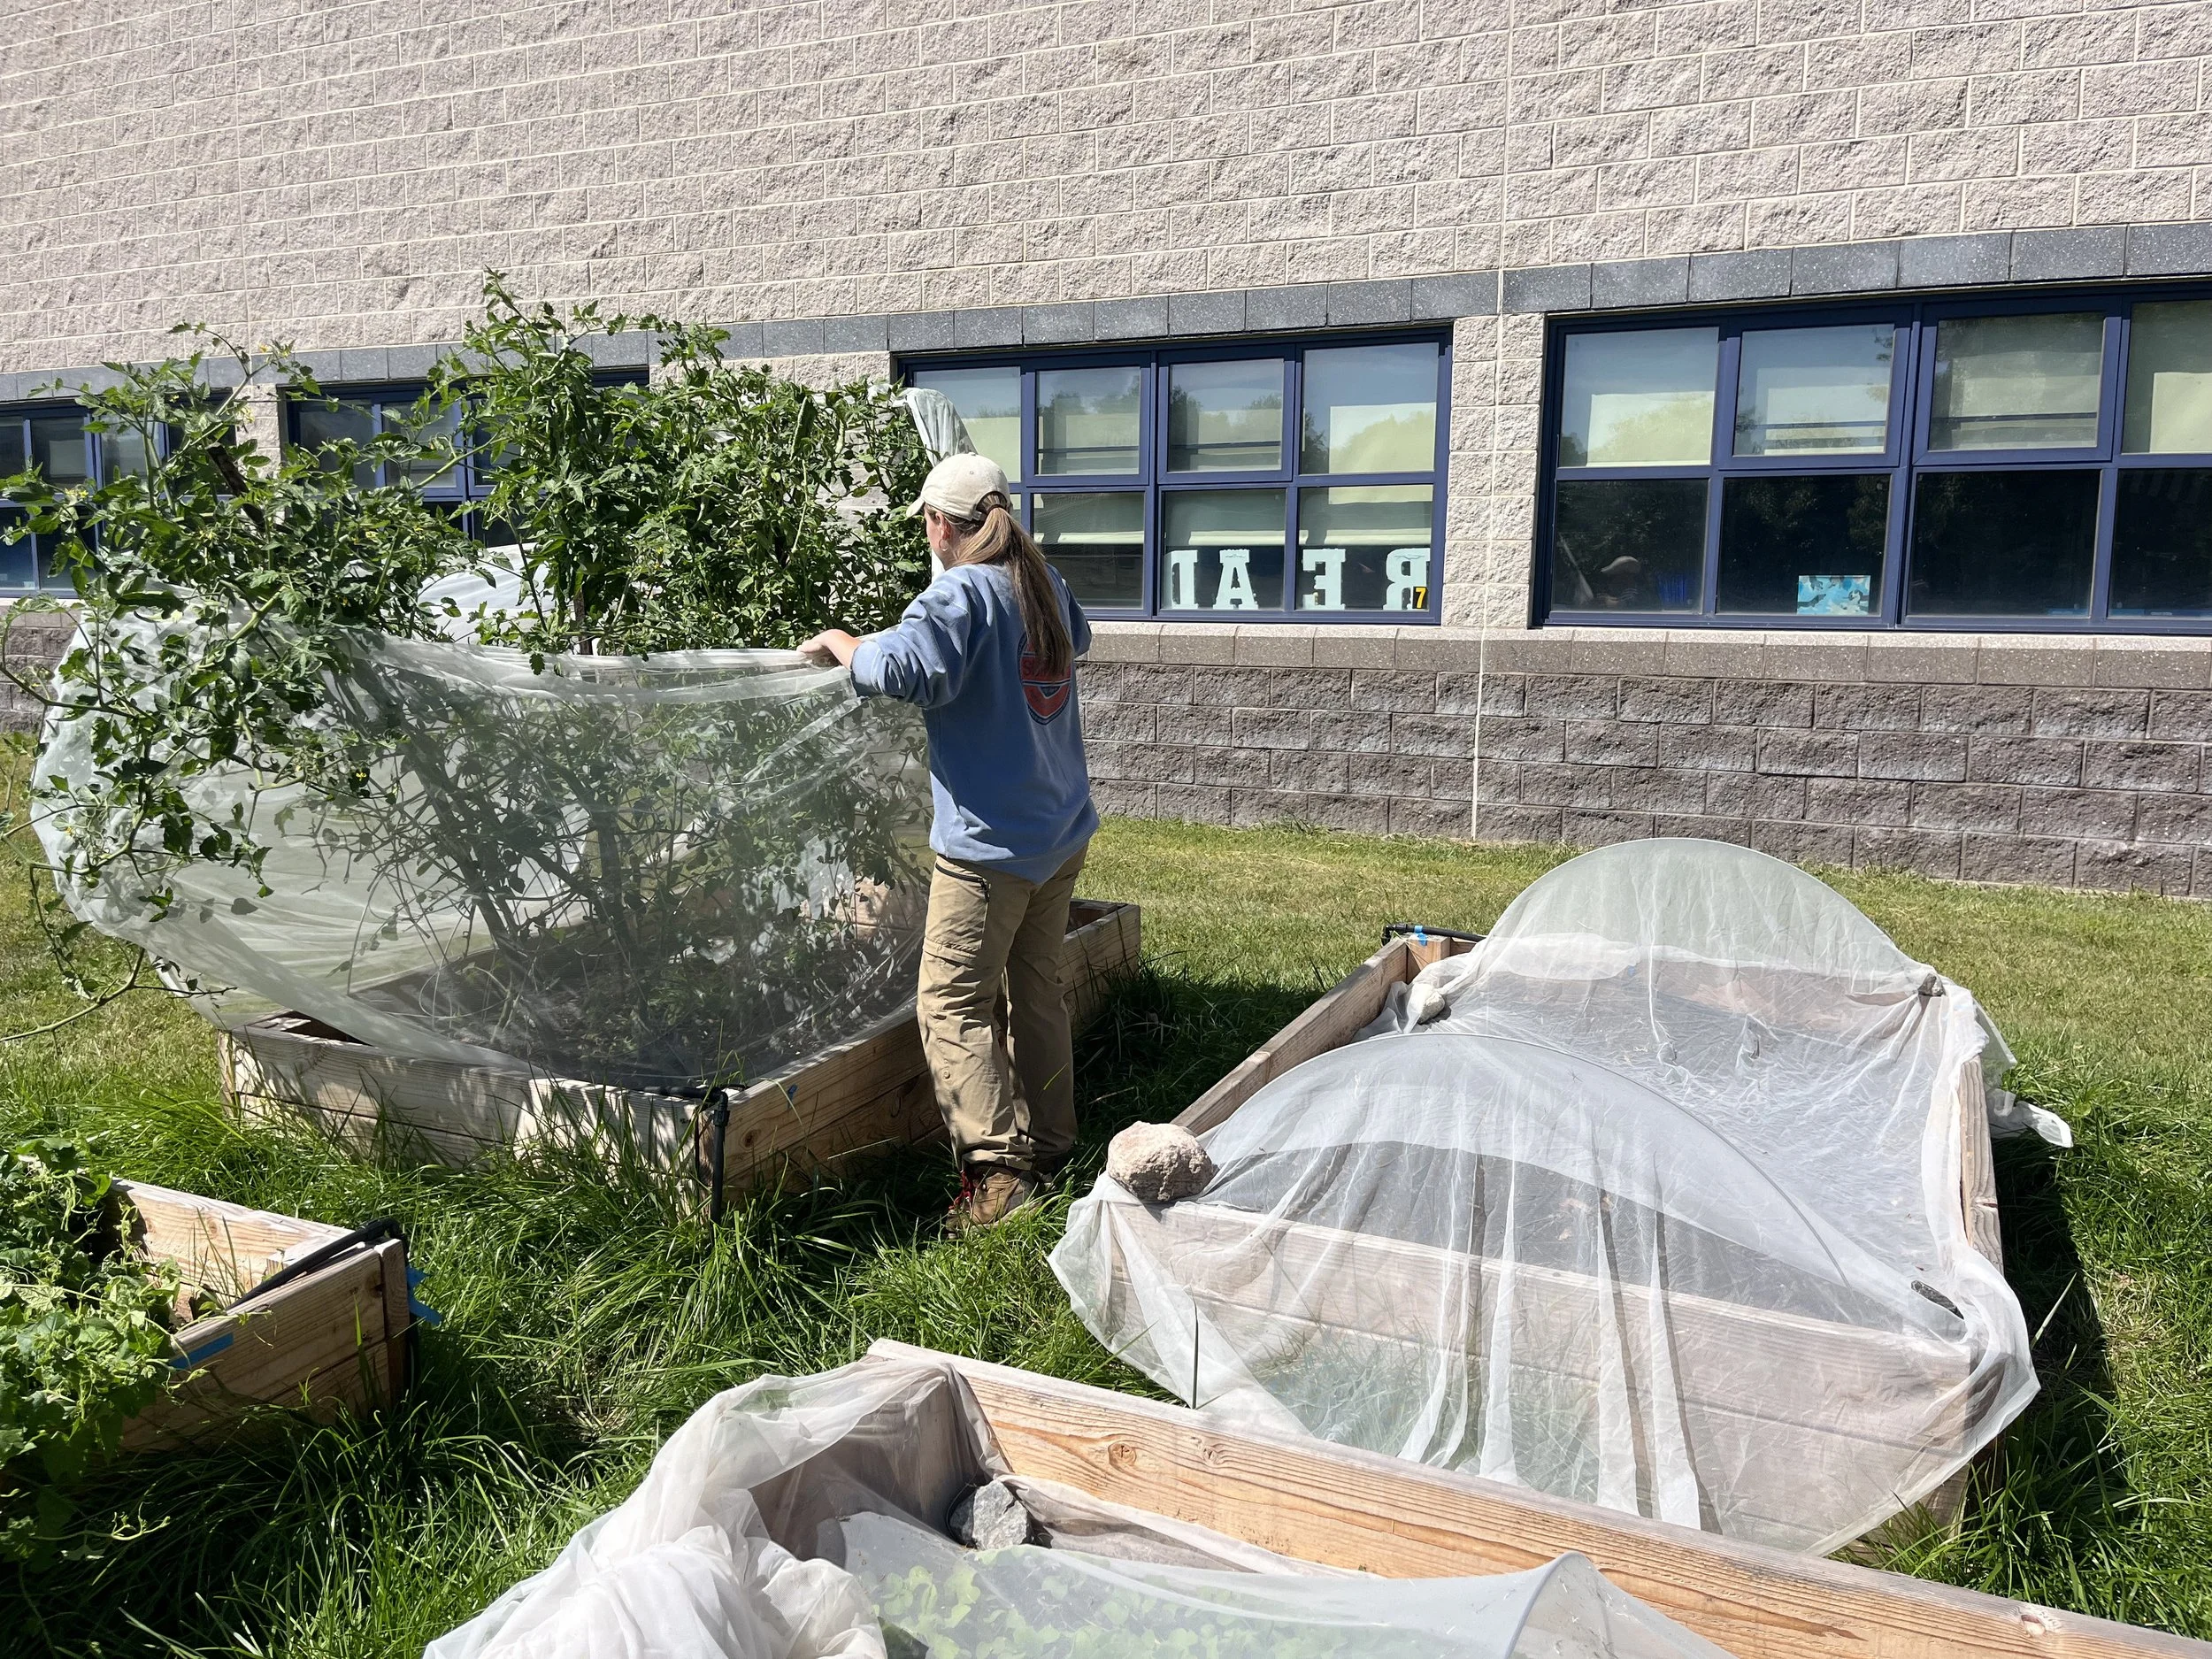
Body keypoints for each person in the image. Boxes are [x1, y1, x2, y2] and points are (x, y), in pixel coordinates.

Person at [799, 452, 1096, 1233]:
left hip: (991, 851)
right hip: (1059, 833)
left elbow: (906, 669)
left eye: (927, 524)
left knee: (952, 1000)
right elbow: (1084, 639)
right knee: (1035, 989)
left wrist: (841, 641)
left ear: (939, 524)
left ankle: (997, 1181)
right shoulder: (1040, 582)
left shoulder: (964, 591)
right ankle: (1055, 1145)